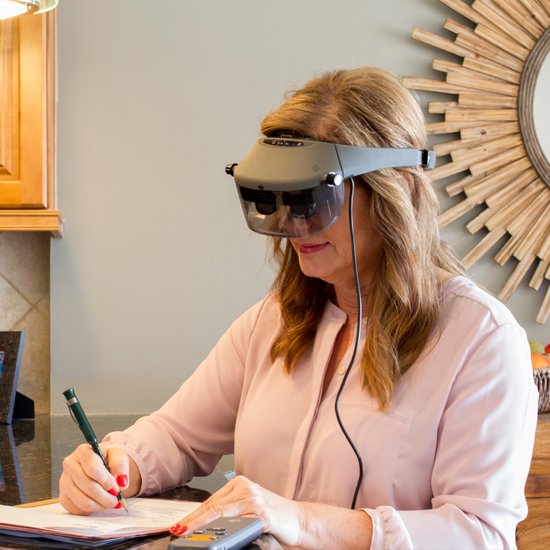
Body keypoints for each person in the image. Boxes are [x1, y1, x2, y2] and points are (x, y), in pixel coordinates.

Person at [59, 67, 538, 549]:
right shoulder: (273, 322)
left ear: (395, 194)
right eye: (279, 200)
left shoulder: (480, 341)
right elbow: (177, 435)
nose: (292, 223)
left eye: (312, 199)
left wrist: (300, 520)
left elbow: (480, 535)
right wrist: (118, 464)